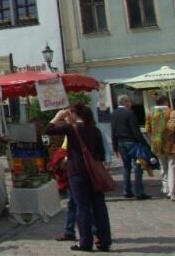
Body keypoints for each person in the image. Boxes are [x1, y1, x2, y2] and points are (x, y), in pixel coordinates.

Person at [46, 102, 112, 252]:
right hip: (94, 172)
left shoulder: (72, 129)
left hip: (77, 171)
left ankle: (85, 242)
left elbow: (48, 130)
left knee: (82, 207)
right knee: (99, 206)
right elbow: (101, 154)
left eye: (69, 113)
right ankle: (104, 240)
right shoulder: (94, 130)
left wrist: (57, 117)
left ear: (74, 114)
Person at [110, 94, 150, 199]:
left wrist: (115, 147)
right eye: (129, 102)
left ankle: (126, 190)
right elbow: (136, 131)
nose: (131, 104)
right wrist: (145, 144)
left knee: (126, 167)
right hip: (132, 142)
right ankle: (139, 192)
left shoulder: (113, 114)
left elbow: (113, 131)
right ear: (125, 102)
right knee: (138, 166)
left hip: (120, 142)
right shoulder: (129, 113)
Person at [146, 95, 175, 201]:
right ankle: (173, 193)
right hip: (171, 144)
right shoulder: (171, 112)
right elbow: (174, 127)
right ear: (165, 101)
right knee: (173, 168)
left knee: (163, 167)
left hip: (157, 144)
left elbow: (148, 129)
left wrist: (153, 138)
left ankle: (166, 188)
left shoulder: (150, 113)